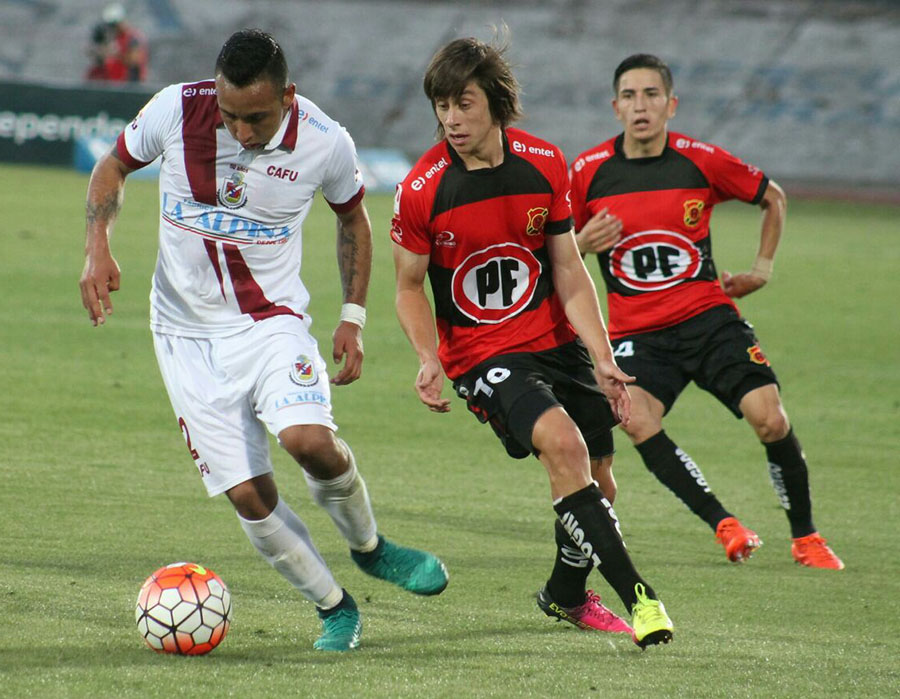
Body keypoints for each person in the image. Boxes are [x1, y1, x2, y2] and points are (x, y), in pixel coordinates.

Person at [79, 29, 448, 652]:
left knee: (310, 443)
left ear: (288, 96)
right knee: (249, 493)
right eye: (229, 117)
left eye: (256, 118)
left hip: (270, 323)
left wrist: (353, 315)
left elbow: (352, 218)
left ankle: (371, 547)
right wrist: (97, 248)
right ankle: (334, 607)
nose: (242, 132)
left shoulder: (326, 141)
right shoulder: (175, 108)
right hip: (183, 335)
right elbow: (113, 165)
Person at [391, 36, 674, 649]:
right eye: (440, 106)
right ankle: (641, 599)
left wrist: (602, 357)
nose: (450, 119)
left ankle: (566, 595)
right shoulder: (422, 188)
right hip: (481, 355)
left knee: (599, 478)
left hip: (554, 341)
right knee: (563, 445)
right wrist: (426, 358)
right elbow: (409, 286)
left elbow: (569, 269)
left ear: (494, 101)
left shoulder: (545, 162)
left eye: (462, 103)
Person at [568, 53, 843, 569]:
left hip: (708, 319)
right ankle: (725, 525)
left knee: (770, 418)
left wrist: (761, 269)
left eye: (651, 95)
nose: (640, 105)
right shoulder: (587, 173)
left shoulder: (699, 160)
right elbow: (556, 253)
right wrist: (582, 240)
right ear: (615, 107)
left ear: (671, 105)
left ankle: (806, 537)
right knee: (637, 420)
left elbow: (773, 197)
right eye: (629, 96)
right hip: (638, 334)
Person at [85, 3, 148, 83]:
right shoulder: (115, 38)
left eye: (115, 24)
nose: (113, 27)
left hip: (129, 82)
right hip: (113, 81)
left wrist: (114, 54)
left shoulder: (133, 37)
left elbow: (134, 60)